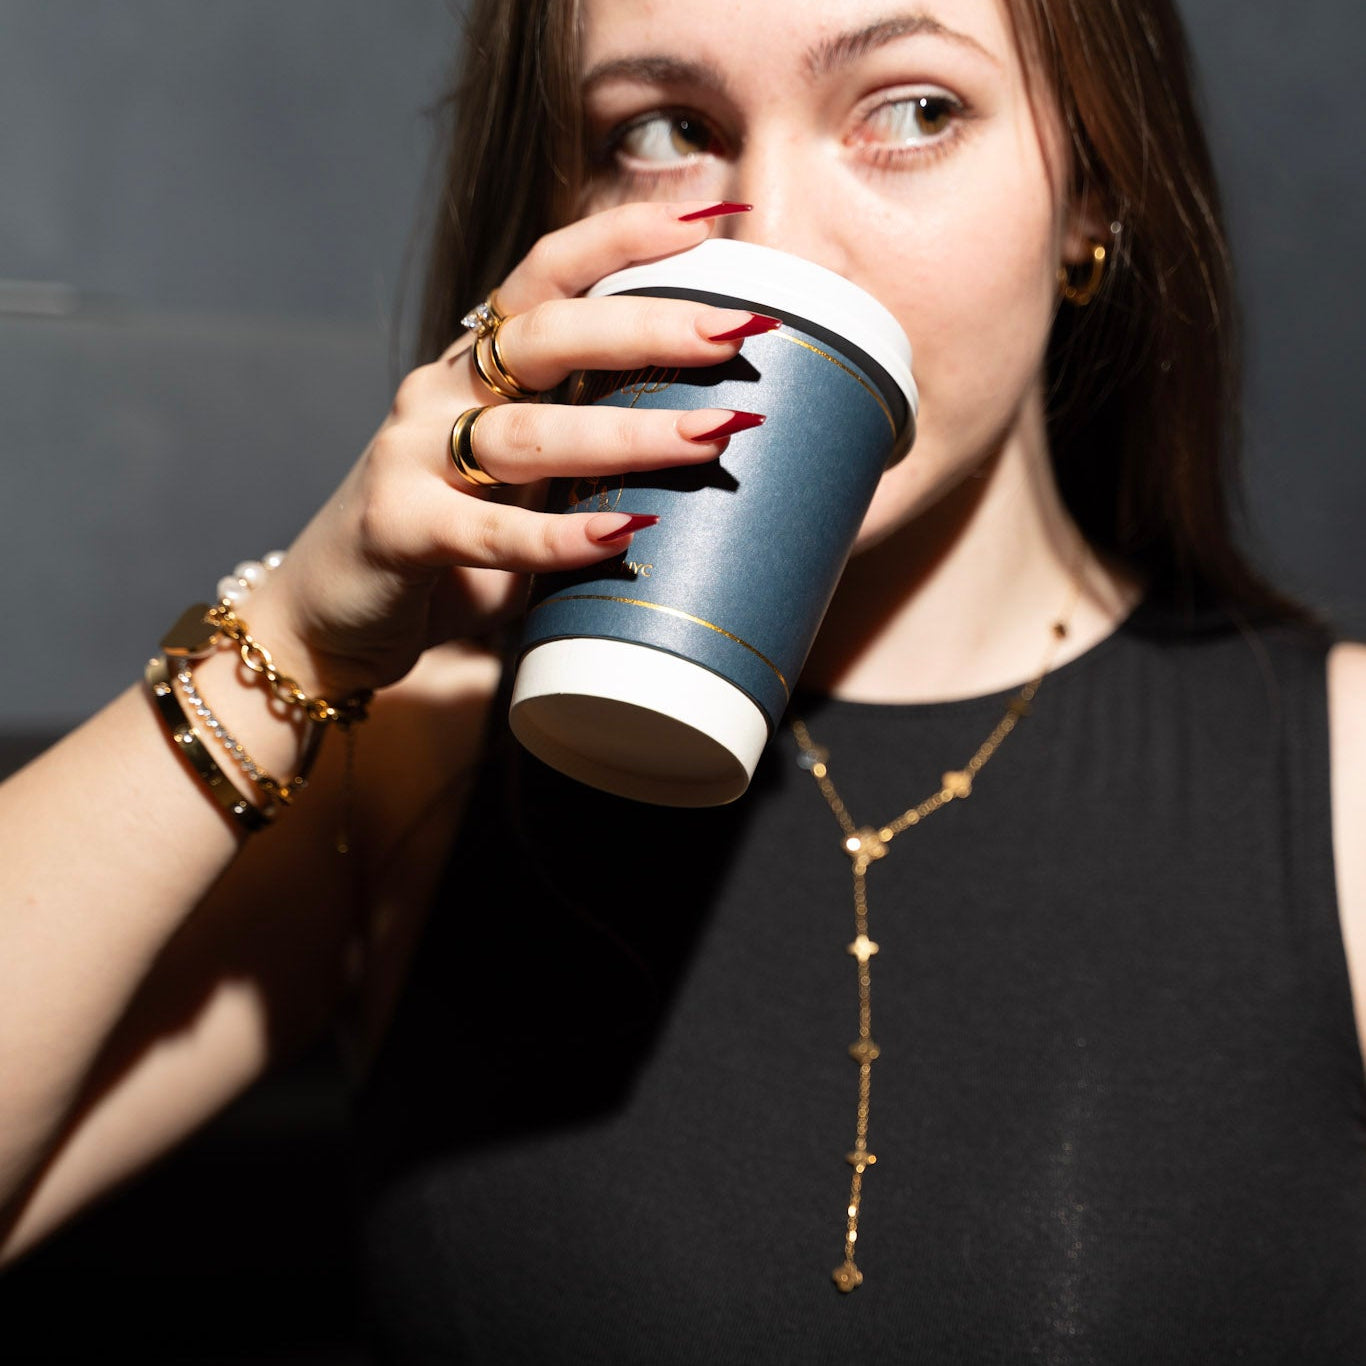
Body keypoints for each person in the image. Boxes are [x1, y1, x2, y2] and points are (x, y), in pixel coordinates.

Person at [2, 0, 1364, 1359]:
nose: (768, 233)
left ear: (1092, 192)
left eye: (910, 110)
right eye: (662, 132)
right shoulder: (411, 763)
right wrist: (295, 642)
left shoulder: (1333, 775)